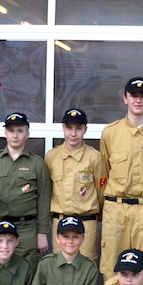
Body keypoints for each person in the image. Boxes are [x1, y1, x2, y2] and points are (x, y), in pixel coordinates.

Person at [99, 77, 143, 279]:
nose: (138, 100)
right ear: (125, 98)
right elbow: (104, 174)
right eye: (133, 96)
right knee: (112, 266)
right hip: (116, 209)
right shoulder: (110, 133)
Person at [0, 112, 51, 264]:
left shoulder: (37, 164)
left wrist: (42, 233)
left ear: (27, 134)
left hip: (26, 228)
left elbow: (44, 200)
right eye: (11, 131)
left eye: (20, 131)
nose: (15, 135)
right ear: (5, 133)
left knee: (27, 270)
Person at [44, 108, 104, 261]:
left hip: (86, 222)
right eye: (69, 128)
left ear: (85, 129)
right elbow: (47, 191)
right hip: (60, 221)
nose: (73, 133)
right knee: (59, 265)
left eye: (78, 128)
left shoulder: (95, 157)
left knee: (85, 265)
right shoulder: (52, 156)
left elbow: (101, 191)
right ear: (63, 128)